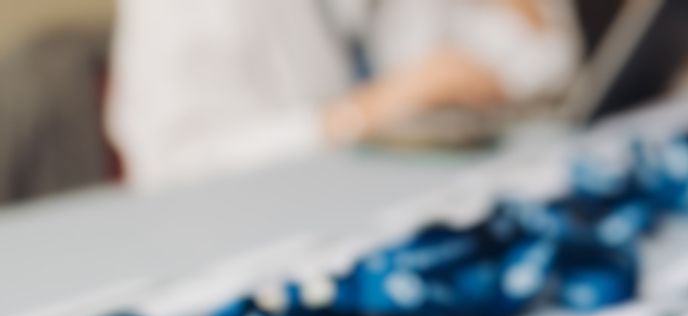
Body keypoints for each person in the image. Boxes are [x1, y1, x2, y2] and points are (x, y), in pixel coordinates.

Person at [105, 0, 581, 190]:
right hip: (255, 229)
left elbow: (545, 64)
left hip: (400, 203)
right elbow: (170, 164)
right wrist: (359, 114)